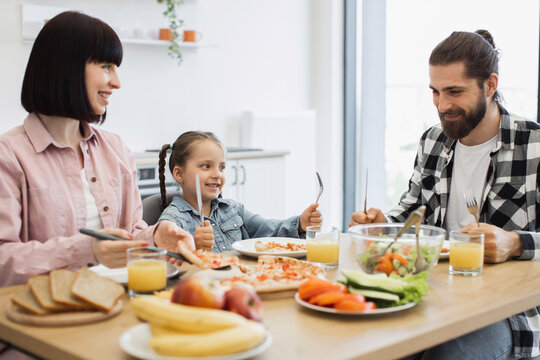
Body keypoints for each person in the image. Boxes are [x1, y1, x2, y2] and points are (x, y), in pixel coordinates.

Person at [350, 30, 540, 359]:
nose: (442, 105)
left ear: (490, 85)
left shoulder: (533, 145)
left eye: (454, 92)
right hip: (436, 293)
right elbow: (411, 210)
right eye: (435, 92)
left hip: (508, 311)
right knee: (377, 344)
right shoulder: (433, 141)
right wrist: (385, 224)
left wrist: (516, 243)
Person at [0, 11, 194, 289]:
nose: (116, 82)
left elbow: (129, 234)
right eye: (106, 66)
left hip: (117, 299)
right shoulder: (9, 156)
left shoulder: (116, 150)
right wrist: (87, 249)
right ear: (66, 67)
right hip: (46, 318)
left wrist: (156, 236)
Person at [156, 131, 323, 251]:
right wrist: (193, 245)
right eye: (206, 166)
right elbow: (167, 264)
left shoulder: (233, 209)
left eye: (221, 167)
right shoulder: (172, 221)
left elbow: (269, 230)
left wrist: (300, 224)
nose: (217, 174)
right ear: (179, 174)